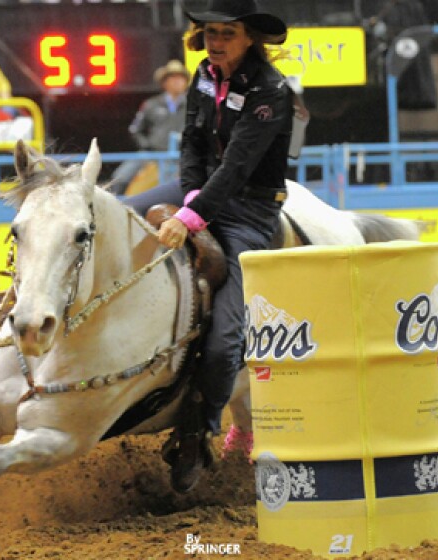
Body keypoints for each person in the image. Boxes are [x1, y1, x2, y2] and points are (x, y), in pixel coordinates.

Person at [147, 0, 294, 493]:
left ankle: (200, 429)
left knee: (225, 338)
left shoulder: (271, 90)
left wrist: (190, 217)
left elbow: (238, 165)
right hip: (202, 194)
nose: (216, 41)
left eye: (227, 33)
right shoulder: (204, 77)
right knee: (117, 212)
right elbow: (191, 142)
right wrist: (189, 198)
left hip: (249, 211)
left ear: (250, 37)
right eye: (210, 32)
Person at [109, 59, 190, 195]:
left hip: (182, 156)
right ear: (165, 82)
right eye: (173, 77)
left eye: (181, 78)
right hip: (152, 155)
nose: (177, 81)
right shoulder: (151, 104)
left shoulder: (193, 105)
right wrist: (148, 146)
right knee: (120, 177)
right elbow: (135, 129)